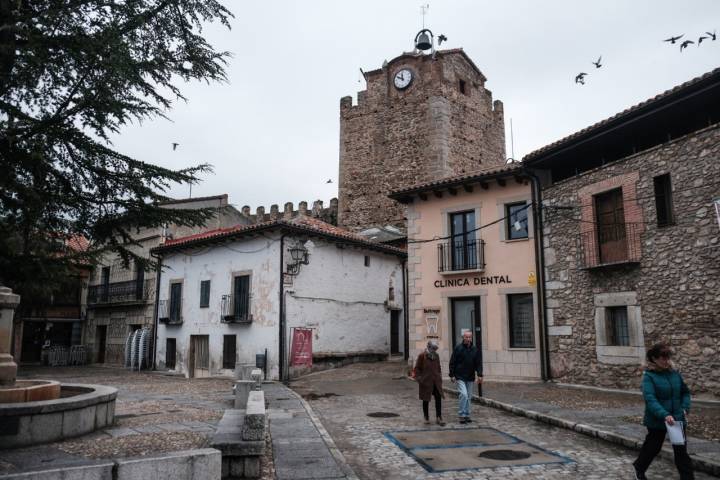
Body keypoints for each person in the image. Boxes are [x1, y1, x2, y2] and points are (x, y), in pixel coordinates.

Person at [633, 343, 694, 480]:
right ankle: (639, 467)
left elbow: (685, 393)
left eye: (668, 358)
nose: (666, 361)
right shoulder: (649, 376)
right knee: (653, 447)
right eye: (663, 358)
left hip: (677, 418)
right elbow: (650, 399)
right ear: (654, 359)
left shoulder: (675, 374)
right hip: (657, 419)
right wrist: (664, 414)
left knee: (681, 452)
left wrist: (684, 408)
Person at [449, 330, 483, 424]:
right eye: (466, 337)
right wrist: (451, 374)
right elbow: (452, 362)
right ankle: (461, 415)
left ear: (471, 338)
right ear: (463, 338)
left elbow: (478, 363)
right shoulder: (458, 348)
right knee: (463, 394)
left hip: (470, 376)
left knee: (469, 396)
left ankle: (467, 414)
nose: (468, 339)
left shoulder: (475, 349)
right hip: (460, 376)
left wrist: (480, 375)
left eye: (470, 337)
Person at [414, 340, 445, 426]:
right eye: (433, 348)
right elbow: (417, 368)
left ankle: (439, 417)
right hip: (426, 381)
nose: (434, 350)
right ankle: (426, 417)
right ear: (429, 347)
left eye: (435, 348)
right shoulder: (422, 356)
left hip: (436, 381)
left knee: (438, 397)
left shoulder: (436, 356)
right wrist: (419, 379)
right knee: (426, 399)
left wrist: (439, 377)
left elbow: (438, 367)